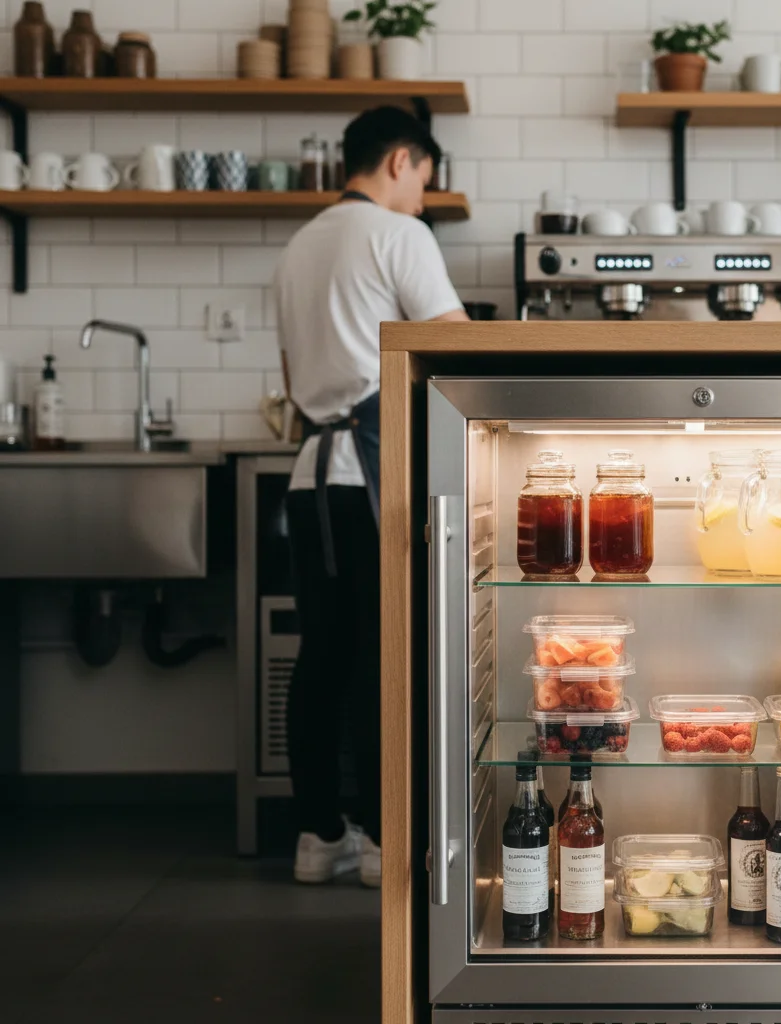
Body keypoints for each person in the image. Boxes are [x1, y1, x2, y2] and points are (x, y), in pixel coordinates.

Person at [274, 106, 468, 886]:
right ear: (398, 160)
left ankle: (320, 839)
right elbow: (452, 341)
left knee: (319, 658)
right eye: (423, 176)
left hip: (311, 478)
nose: (423, 196)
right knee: (385, 660)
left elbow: (293, 382)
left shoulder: (298, 245)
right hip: (372, 476)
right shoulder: (398, 235)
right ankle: (390, 845)